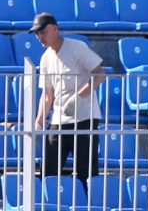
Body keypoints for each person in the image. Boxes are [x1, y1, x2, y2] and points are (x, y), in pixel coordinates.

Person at [33, 12, 107, 185]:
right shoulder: (45, 59)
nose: (39, 37)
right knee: (48, 170)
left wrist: (78, 98)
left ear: (55, 29)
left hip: (84, 118)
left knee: (86, 172)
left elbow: (99, 74)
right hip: (59, 120)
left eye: (42, 32)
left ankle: (89, 210)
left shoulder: (76, 47)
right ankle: (47, 209)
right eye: (37, 33)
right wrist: (38, 122)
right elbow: (47, 94)